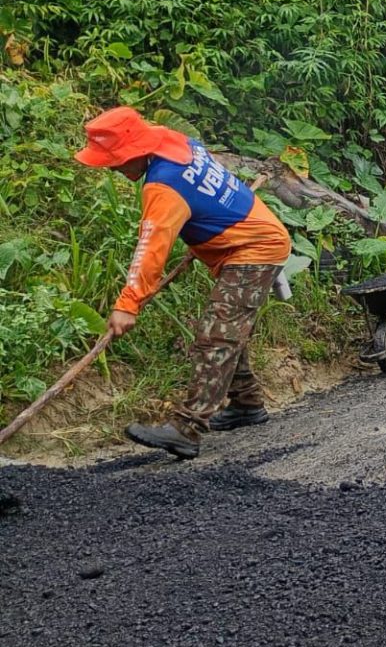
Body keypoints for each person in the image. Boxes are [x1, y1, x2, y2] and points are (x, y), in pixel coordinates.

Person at [76, 108, 291, 459]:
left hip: (254, 248)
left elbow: (151, 249)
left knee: (216, 335)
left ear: (133, 151)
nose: (112, 168)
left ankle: (186, 428)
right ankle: (246, 403)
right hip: (247, 236)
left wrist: (128, 303)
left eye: (113, 161)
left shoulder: (163, 187)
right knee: (227, 327)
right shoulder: (172, 140)